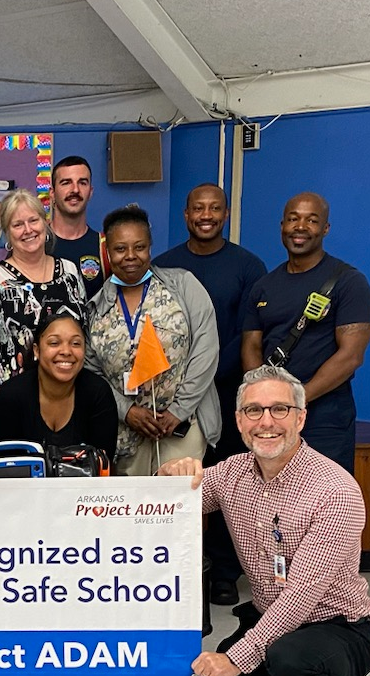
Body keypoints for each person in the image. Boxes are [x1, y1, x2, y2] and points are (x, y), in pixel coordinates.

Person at [158, 366, 370, 676]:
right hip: (265, 619)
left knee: (289, 659)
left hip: (335, 626)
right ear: (238, 420)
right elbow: (167, 505)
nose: (266, 421)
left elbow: (300, 596)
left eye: (279, 409)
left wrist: (236, 659)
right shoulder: (231, 472)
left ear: (300, 418)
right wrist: (166, 477)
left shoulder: (335, 491)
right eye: (253, 410)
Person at [152, 183, 267, 606]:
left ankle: (223, 571)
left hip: (228, 391)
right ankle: (174, 569)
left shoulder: (248, 266)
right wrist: (181, 387)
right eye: (197, 208)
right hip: (173, 399)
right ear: (185, 215)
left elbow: (250, 333)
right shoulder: (163, 265)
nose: (206, 215)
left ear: (225, 214)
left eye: (214, 208)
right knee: (181, 483)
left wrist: (208, 372)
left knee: (228, 485)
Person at [241, 192, 370, 473]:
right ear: (282, 226)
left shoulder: (349, 282)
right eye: (293, 219)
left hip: (325, 416)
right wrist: (262, 399)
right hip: (271, 416)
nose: (300, 227)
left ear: (325, 228)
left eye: (311, 220)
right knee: (270, 493)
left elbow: (350, 356)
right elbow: (252, 346)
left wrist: (295, 400)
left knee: (324, 497)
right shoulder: (263, 286)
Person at [84, 206, 220, 475]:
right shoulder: (95, 308)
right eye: (120, 249)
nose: (130, 257)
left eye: (139, 247)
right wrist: (127, 411)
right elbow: (91, 372)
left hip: (183, 425)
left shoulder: (182, 285)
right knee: (132, 512)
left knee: (180, 507)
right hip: (126, 433)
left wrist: (179, 411)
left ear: (150, 247)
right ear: (108, 252)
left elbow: (206, 349)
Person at [0, 189, 88, 436]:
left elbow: (84, 333)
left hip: (67, 401)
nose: (28, 230)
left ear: (45, 223)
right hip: (12, 404)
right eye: (18, 224)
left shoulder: (69, 271)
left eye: (33, 220)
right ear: (7, 232)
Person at [0, 313, 117, 454]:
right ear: (37, 350)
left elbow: (103, 464)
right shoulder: (11, 395)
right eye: (54, 343)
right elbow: (4, 466)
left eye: (75, 343)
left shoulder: (98, 393)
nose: (66, 351)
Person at [49, 155, 107, 297]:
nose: (75, 190)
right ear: (52, 193)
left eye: (82, 183)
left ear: (90, 192)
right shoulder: (34, 244)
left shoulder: (105, 247)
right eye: (66, 183)